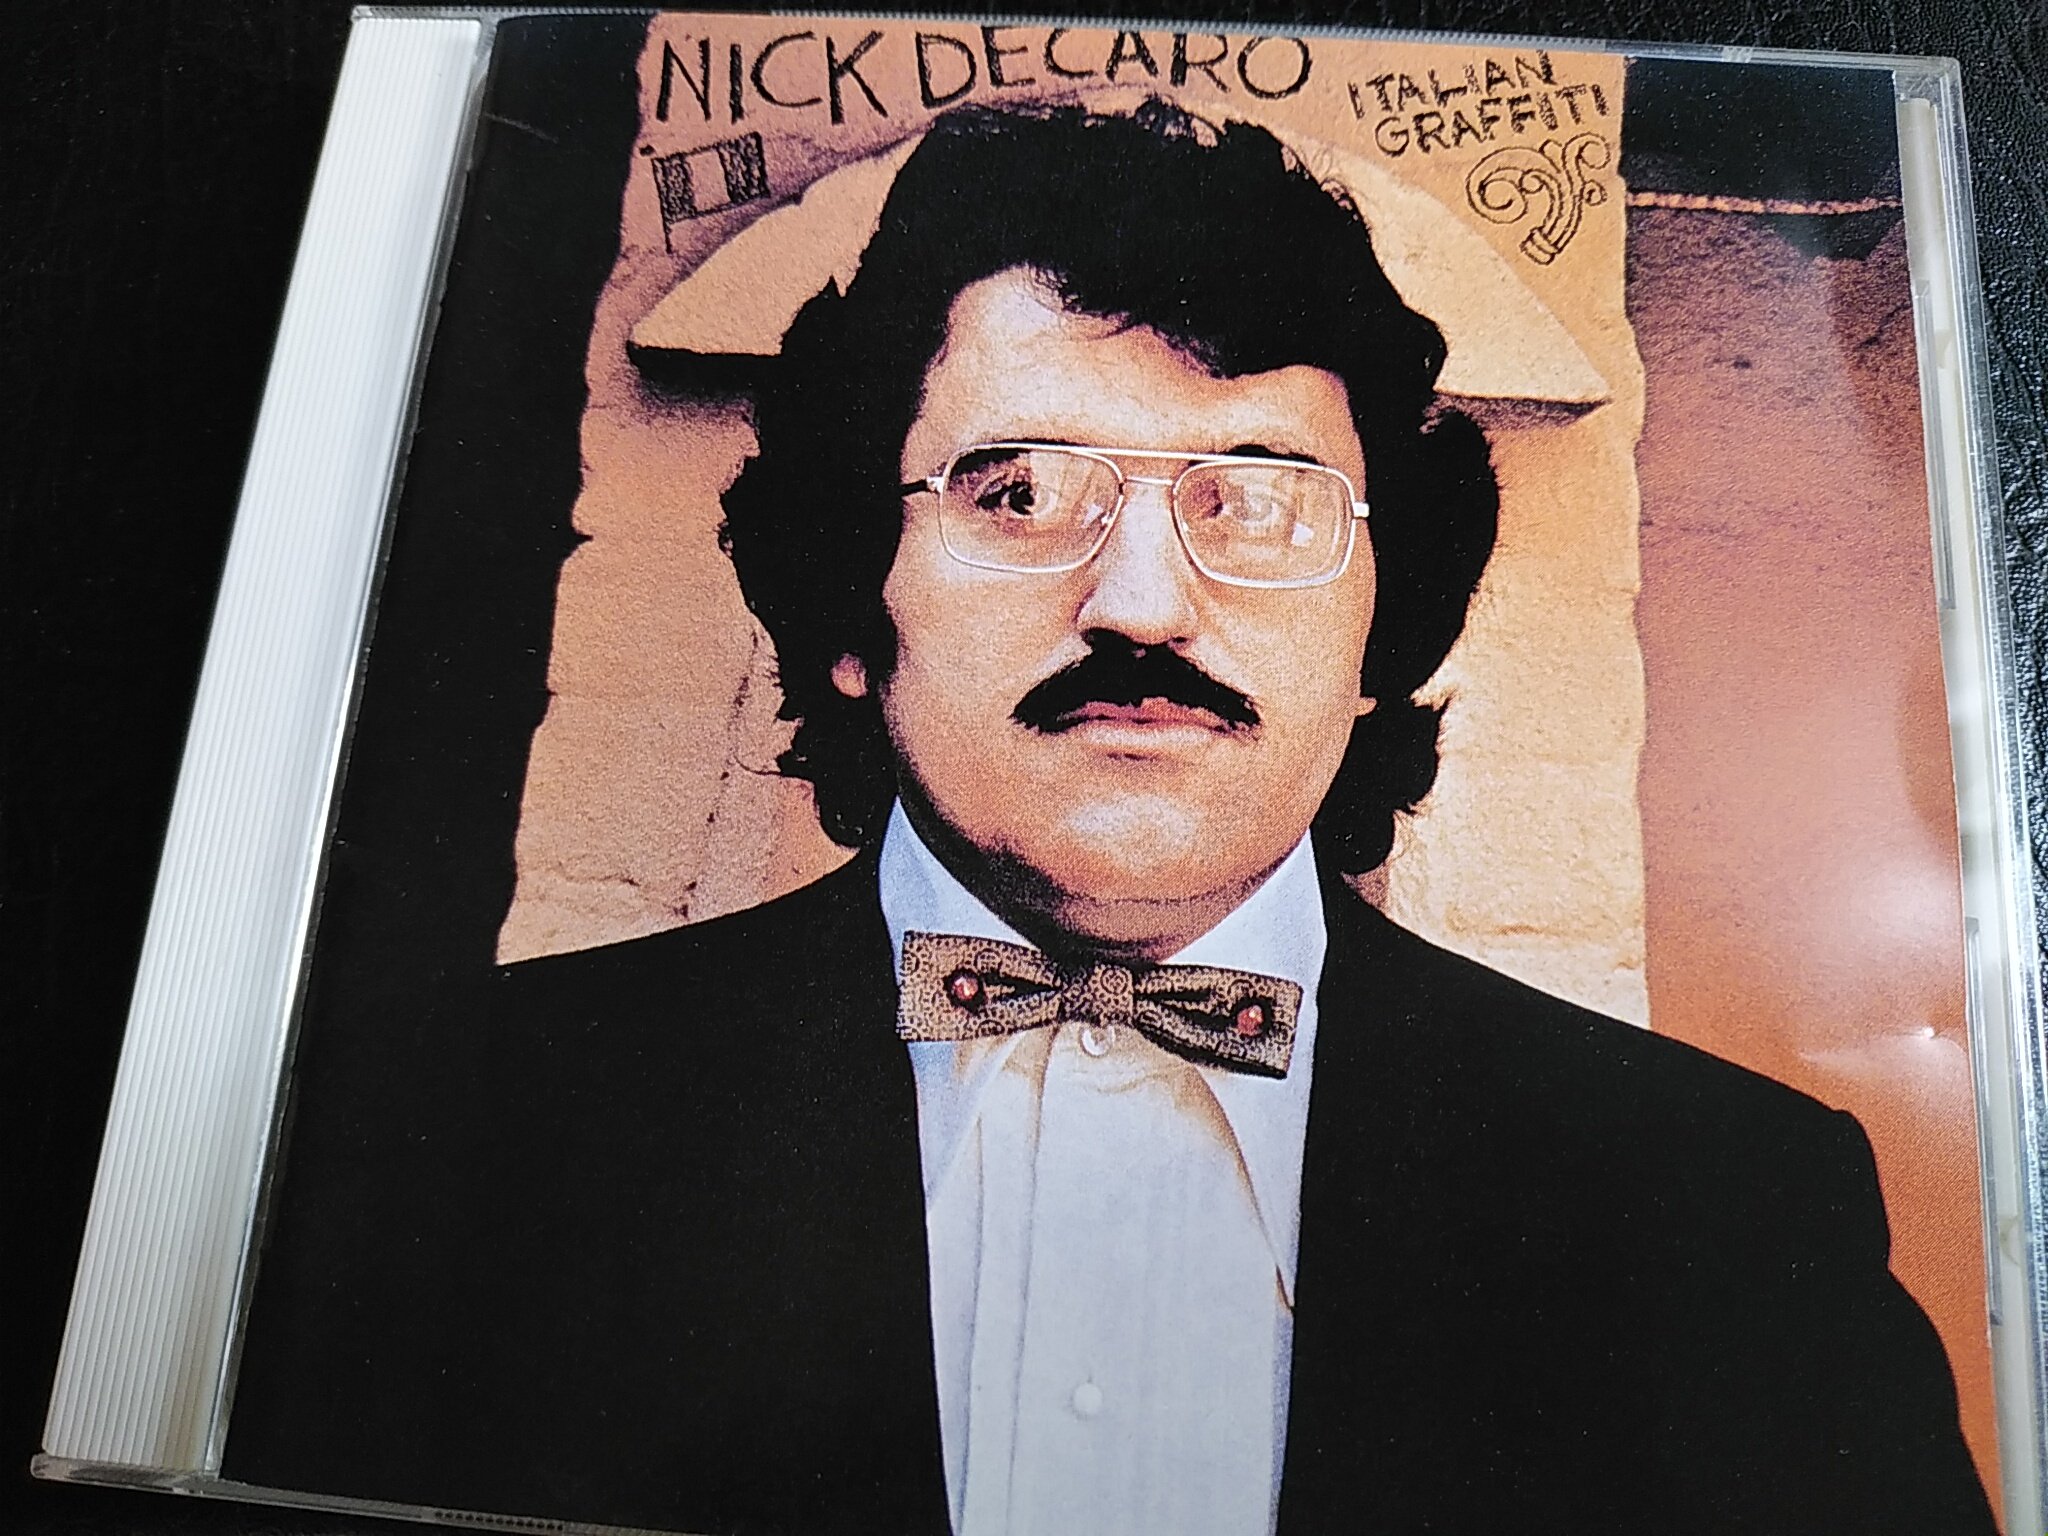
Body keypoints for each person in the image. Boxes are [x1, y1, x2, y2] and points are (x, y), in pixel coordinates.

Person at [228, 100, 1993, 1536]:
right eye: (1016, 492)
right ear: (850, 605)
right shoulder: (452, 1132)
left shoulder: (1733, 1208)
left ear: (1378, 637)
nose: (1142, 602)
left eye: (1262, 498)